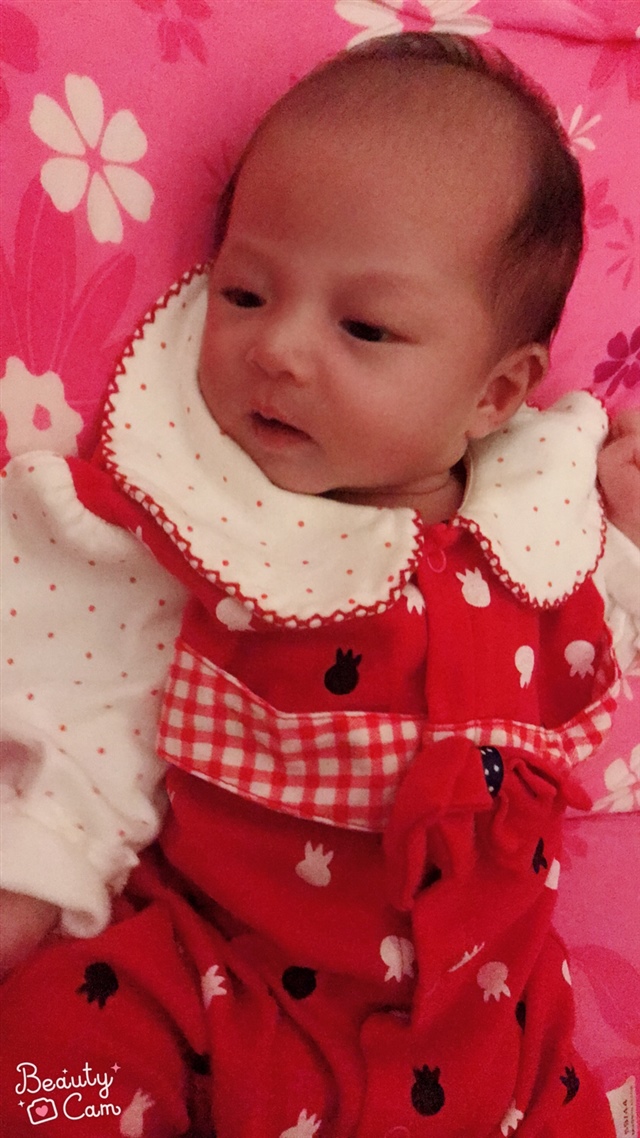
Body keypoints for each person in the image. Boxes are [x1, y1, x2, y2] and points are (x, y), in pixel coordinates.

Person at [1, 31, 639, 1138]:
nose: (279, 349)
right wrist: (31, 882)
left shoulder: (552, 535)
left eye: (364, 327)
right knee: (50, 1061)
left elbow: (610, 657)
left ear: (495, 394)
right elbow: (84, 726)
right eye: (246, 293)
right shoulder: (199, 528)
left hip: (485, 1030)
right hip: (216, 980)